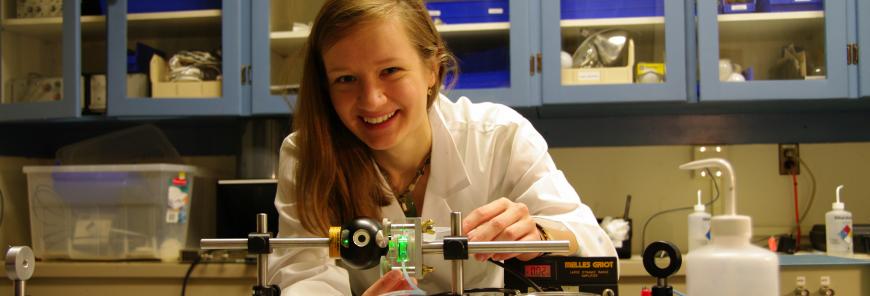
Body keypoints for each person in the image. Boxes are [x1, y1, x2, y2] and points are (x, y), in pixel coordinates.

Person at [267, 0, 617, 295]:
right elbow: (304, 274)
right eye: (346, 79)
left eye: (390, 70)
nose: (371, 100)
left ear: (432, 69)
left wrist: (540, 233)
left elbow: (600, 253)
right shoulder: (307, 155)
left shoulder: (500, 137)